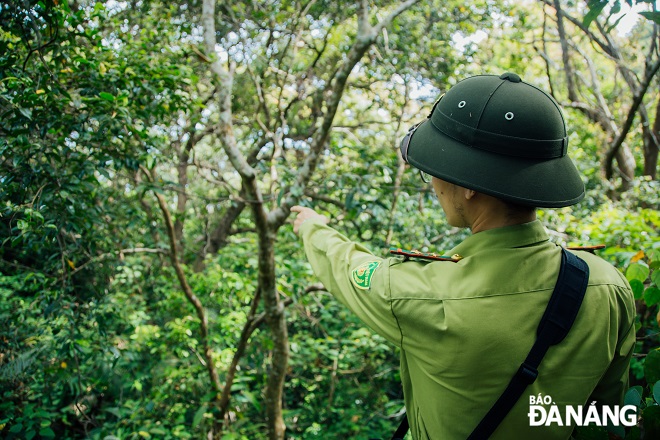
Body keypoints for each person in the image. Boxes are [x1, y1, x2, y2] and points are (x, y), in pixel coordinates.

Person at [291, 73, 636, 439]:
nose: (435, 184)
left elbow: (348, 267)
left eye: (437, 170)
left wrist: (314, 227)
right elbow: (609, 417)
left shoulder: (424, 296)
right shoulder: (607, 286)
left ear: (470, 185)